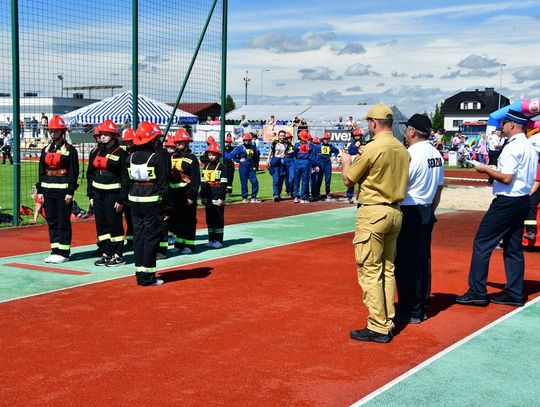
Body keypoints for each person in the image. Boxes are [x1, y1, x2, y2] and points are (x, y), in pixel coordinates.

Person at [340, 103, 409, 343]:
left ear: (373, 123)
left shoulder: (372, 147)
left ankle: (378, 325)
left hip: (373, 212)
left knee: (369, 270)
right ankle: (387, 318)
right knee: (388, 269)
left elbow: (349, 180)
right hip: (395, 211)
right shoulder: (402, 148)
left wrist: (346, 161)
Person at [456, 110, 538, 307]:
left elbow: (507, 178)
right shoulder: (528, 146)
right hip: (522, 199)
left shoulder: (512, 147)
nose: (501, 127)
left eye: (504, 123)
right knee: (513, 247)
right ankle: (514, 293)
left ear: (511, 125)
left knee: (482, 243)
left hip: (507, 201)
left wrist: (485, 169)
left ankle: (477, 291)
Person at [394, 114, 444, 324]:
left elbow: (399, 186)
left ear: (412, 131)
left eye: (407, 129)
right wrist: (431, 210)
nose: (405, 132)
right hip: (426, 209)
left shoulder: (410, 154)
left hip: (410, 210)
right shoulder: (436, 154)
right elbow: (439, 188)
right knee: (423, 261)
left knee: (406, 264)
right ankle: (421, 306)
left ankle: (411, 309)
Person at [126, 121, 169, 286]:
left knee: (139, 238)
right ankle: (148, 277)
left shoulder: (130, 158)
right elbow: (163, 185)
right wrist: (166, 208)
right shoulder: (156, 158)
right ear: (151, 140)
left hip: (135, 203)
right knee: (151, 239)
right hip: (152, 203)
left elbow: (127, 182)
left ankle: (139, 274)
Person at [36, 115, 79, 263]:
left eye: (55, 131)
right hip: (48, 191)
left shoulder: (70, 150)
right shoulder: (46, 149)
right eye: (51, 131)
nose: (53, 133)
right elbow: (41, 171)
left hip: (63, 192)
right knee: (52, 221)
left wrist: (70, 191)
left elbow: (74, 172)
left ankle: (64, 252)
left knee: (63, 221)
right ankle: (55, 250)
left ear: (62, 132)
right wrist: (40, 191)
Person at [87, 119, 128, 267]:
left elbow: (125, 178)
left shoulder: (121, 154)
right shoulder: (97, 152)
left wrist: (121, 199)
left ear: (113, 135)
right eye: (101, 134)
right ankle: (106, 252)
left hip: (113, 195)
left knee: (114, 224)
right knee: (101, 224)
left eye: (106, 134)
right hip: (98, 194)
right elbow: (90, 174)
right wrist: (91, 195)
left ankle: (118, 255)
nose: (102, 137)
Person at [169, 128, 200, 254]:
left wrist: (192, 195)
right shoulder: (172, 157)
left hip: (187, 193)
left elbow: (196, 179)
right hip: (175, 194)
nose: (178, 144)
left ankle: (189, 245)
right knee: (177, 220)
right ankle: (179, 244)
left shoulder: (192, 158)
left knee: (188, 220)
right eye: (176, 142)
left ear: (187, 142)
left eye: (181, 142)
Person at [200, 143, 227, 249]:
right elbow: (203, 183)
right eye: (209, 154)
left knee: (218, 219)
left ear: (218, 155)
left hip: (217, 196)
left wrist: (221, 197)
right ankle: (211, 239)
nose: (211, 156)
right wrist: (202, 196)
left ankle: (219, 240)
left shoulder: (222, 167)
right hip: (208, 197)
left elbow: (223, 184)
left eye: (213, 154)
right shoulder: (205, 167)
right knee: (209, 219)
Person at [227, 133, 260, 203]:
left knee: (255, 182)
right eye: (245, 140)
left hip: (251, 167)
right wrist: (238, 160)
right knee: (244, 183)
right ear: (243, 141)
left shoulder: (253, 147)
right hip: (243, 167)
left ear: (250, 140)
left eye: (248, 140)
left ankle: (253, 197)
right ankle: (244, 197)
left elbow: (256, 156)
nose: (247, 142)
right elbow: (232, 154)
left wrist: (255, 166)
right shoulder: (240, 148)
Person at [121, 128, 136, 251]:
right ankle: (130, 241)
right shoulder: (124, 154)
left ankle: (136, 241)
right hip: (126, 189)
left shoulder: (136, 154)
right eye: (127, 142)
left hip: (136, 190)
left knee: (136, 218)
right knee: (129, 218)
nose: (129, 144)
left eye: (131, 141)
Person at [315, 132, 340, 201]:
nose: (326, 140)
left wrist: (335, 156)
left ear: (329, 139)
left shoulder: (331, 146)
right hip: (321, 162)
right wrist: (316, 164)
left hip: (328, 163)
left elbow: (337, 150)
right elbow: (314, 153)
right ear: (323, 139)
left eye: (327, 139)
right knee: (319, 179)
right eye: (325, 139)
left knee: (328, 179)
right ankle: (317, 193)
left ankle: (327, 193)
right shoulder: (318, 146)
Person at [293, 130, 316, 203]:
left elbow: (294, 153)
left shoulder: (297, 145)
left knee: (302, 180)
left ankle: (300, 197)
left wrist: (313, 165)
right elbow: (312, 157)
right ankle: (299, 197)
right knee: (301, 180)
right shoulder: (307, 146)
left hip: (302, 162)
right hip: (302, 162)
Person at [267, 130, 288, 201]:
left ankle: (279, 194)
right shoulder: (275, 143)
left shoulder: (287, 143)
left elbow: (289, 152)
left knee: (281, 180)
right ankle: (275, 194)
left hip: (283, 163)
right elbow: (270, 151)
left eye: (283, 136)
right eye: (281, 135)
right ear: (278, 136)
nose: (282, 137)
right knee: (276, 179)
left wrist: (285, 155)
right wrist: (268, 160)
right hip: (275, 162)